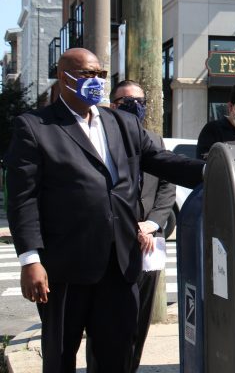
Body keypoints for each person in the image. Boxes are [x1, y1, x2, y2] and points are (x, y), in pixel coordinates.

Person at [5, 48, 205, 373]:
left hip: (120, 264)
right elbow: (22, 198)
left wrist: (213, 170)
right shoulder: (35, 127)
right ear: (64, 76)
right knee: (60, 355)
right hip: (66, 266)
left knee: (117, 352)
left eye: (100, 74)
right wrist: (31, 260)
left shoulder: (122, 123)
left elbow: (163, 162)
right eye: (86, 73)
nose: (95, 80)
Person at [84, 80, 177, 372]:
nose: (134, 106)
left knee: (139, 318)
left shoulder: (153, 140)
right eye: (126, 101)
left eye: (139, 101)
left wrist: (151, 224)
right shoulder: (99, 140)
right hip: (112, 243)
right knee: (106, 323)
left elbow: (166, 189)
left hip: (148, 244)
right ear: (113, 105)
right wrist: (127, 226)